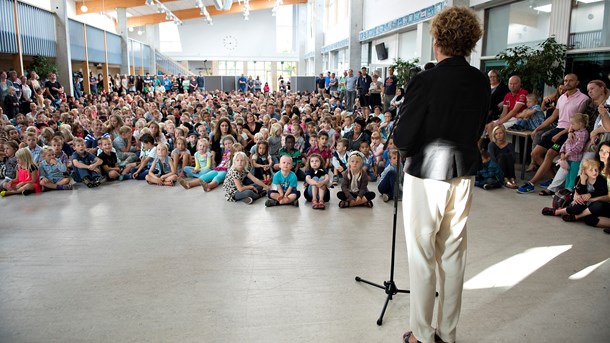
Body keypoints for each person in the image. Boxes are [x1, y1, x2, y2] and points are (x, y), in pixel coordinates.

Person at [393, 7, 489, 343]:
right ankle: (447, 334)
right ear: (470, 42)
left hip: (426, 175)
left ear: (437, 40)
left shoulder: (426, 80)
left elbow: (403, 137)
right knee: (453, 253)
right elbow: (478, 127)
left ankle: (420, 334)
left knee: (422, 256)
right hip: (463, 174)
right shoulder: (480, 80)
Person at [517, 73, 589, 193]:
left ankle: (531, 183)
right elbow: (552, 118)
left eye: (571, 81)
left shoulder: (583, 99)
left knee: (550, 153)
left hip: (569, 133)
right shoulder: (561, 97)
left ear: (577, 83)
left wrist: (560, 134)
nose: (567, 83)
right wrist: (537, 129)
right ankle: (553, 178)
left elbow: (578, 122)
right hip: (558, 129)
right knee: (535, 154)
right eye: (565, 80)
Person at [542, 159, 607, 220]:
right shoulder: (579, 178)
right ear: (585, 171)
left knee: (598, 206)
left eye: (596, 170)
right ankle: (558, 212)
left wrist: (590, 194)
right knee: (577, 207)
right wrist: (583, 182)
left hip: (594, 201)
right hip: (583, 201)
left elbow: (602, 192)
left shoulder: (601, 180)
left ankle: (565, 213)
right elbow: (579, 191)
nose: (594, 172)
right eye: (591, 170)